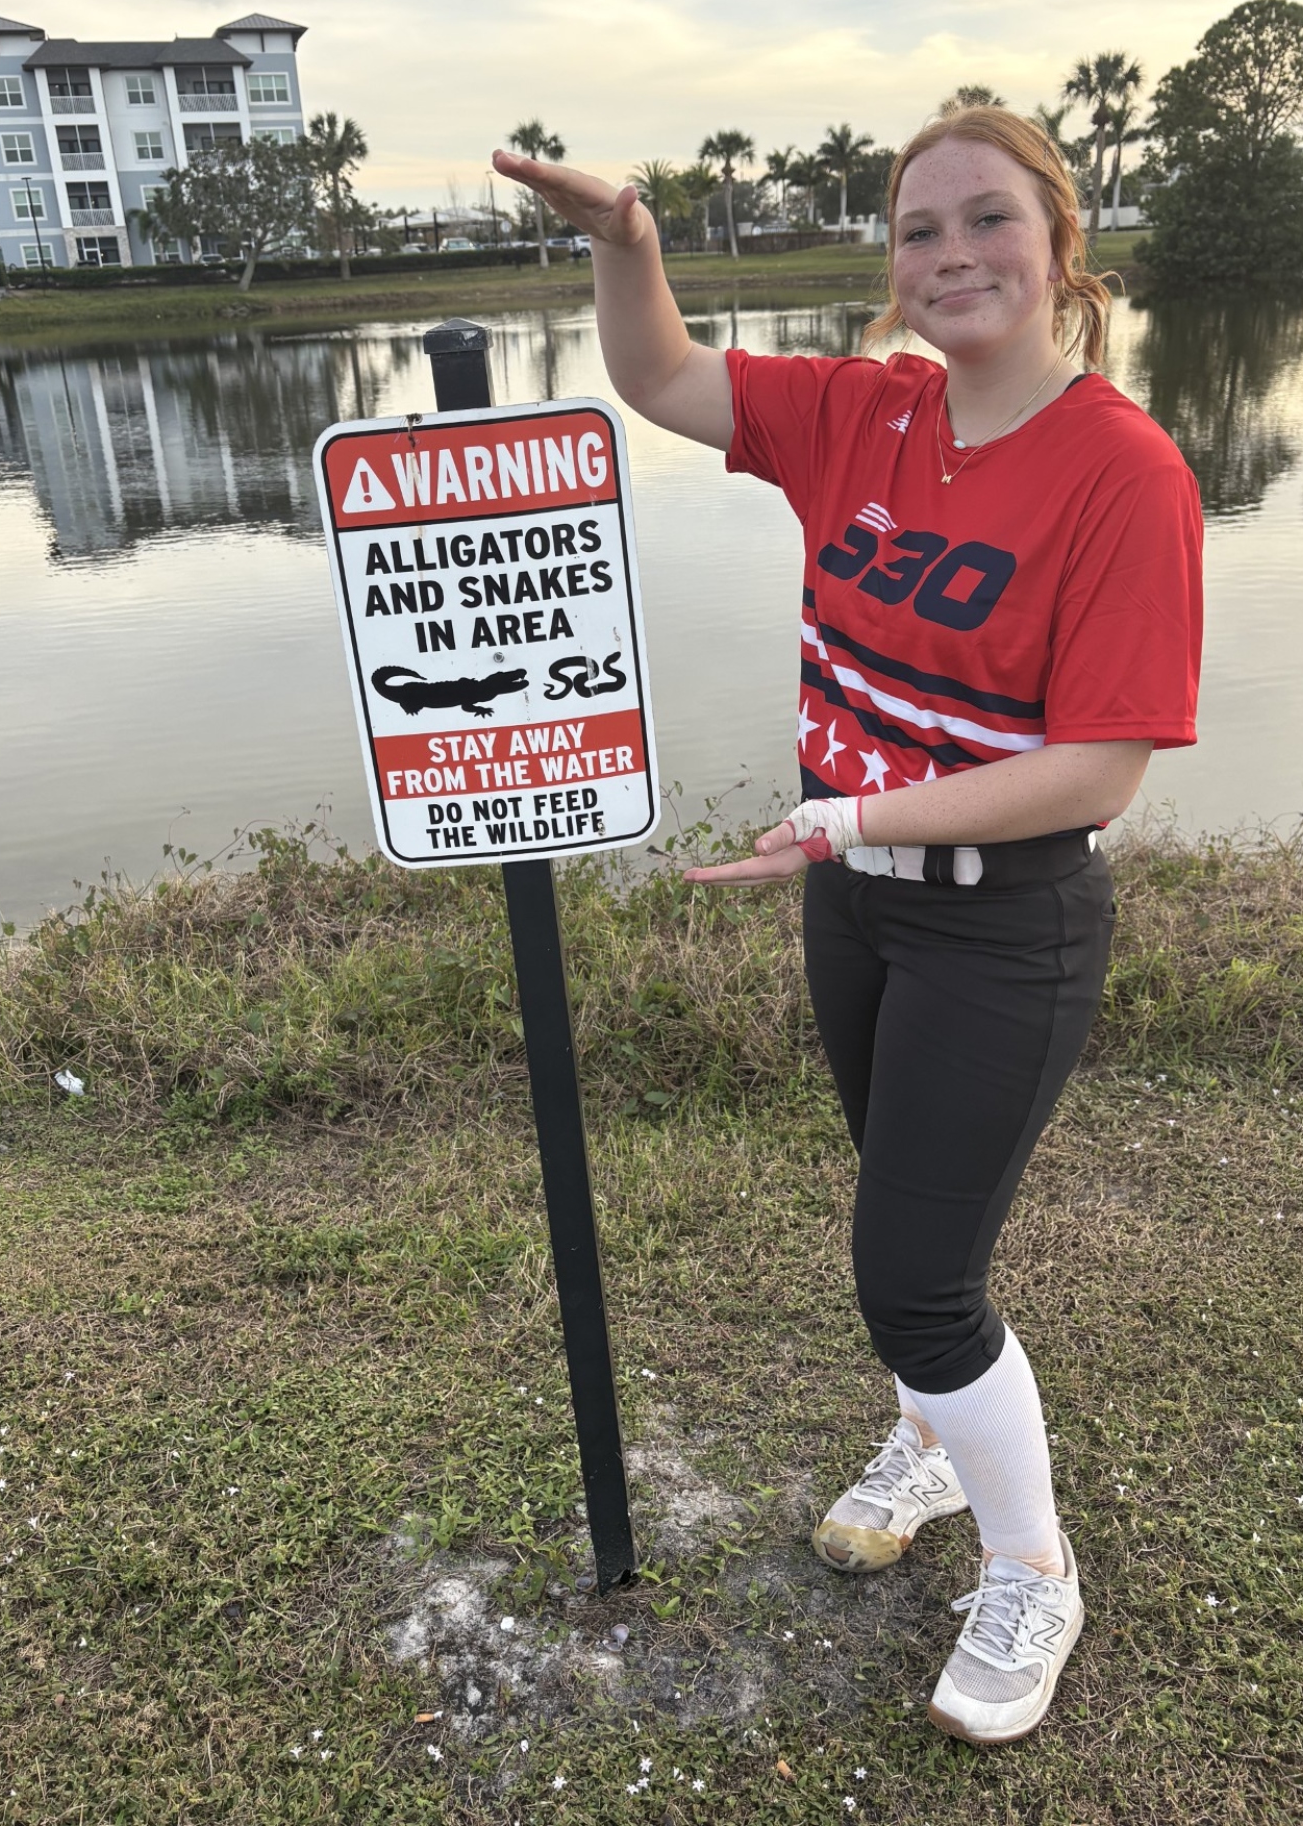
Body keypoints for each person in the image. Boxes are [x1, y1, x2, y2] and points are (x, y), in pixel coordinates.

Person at [493, 107, 1202, 1745]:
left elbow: (1101, 767)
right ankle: (938, 1447)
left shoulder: (1125, 470)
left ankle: (1032, 1568)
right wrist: (629, 243)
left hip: (1003, 929)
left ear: (1059, 241)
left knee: (914, 1279)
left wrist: (850, 819)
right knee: (906, 1211)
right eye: (918, 229)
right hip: (857, 908)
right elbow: (662, 378)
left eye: (988, 219)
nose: (952, 255)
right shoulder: (863, 414)